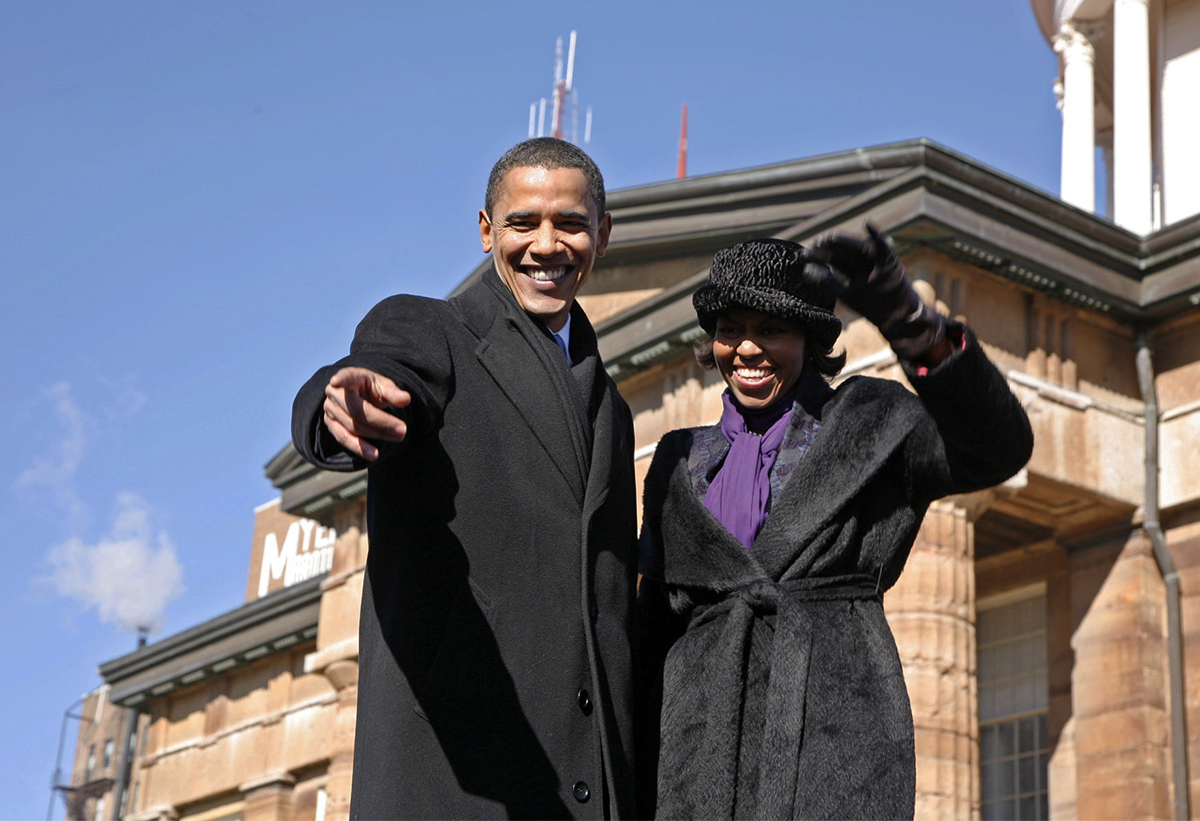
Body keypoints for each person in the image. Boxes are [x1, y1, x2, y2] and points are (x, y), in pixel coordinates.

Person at [292, 138, 638, 819]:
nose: (547, 244)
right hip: (456, 783)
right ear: (486, 232)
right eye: (522, 223)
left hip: (586, 791)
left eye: (569, 223)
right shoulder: (431, 330)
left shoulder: (613, 409)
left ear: (601, 234)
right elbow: (381, 371)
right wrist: (343, 402)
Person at [634, 232, 1033, 820]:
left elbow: (996, 449)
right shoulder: (676, 460)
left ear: (810, 337)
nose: (746, 348)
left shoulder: (873, 423)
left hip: (835, 743)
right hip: (696, 764)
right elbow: (649, 639)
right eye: (730, 329)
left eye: (770, 330)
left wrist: (911, 323)